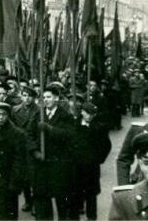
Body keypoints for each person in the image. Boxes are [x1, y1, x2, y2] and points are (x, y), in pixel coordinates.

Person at [30, 83, 75, 221]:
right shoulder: (39, 114)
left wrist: (50, 129)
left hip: (59, 164)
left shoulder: (65, 115)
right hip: (42, 163)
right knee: (42, 199)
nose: (46, 100)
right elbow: (29, 135)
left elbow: (70, 135)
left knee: (62, 200)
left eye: (49, 97)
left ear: (56, 98)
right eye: (44, 97)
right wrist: (35, 151)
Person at [70, 102, 111, 220]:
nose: (89, 116)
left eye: (92, 114)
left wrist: (98, 159)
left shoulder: (99, 127)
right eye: (87, 113)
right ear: (82, 112)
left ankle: (91, 217)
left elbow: (106, 145)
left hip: (91, 167)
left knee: (91, 196)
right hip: (76, 167)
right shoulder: (74, 125)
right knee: (75, 194)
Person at [12, 85, 40, 213]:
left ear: (34, 98)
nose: (27, 98)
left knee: (34, 176)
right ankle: (28, 201)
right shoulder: (15, 110)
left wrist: (35, 147)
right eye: (24, 95)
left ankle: (35, 203)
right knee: (23, 178)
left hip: (33, 147)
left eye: (29, 96)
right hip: (19, 147)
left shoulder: (39, 111)